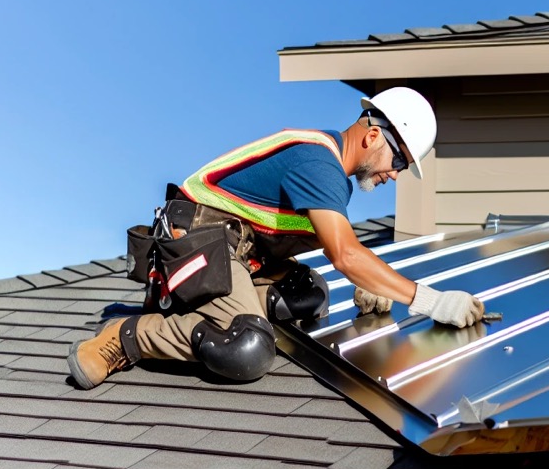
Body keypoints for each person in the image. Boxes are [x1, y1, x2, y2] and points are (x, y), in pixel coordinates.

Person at [66, 87, 484, 389]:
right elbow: (345, 253)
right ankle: (125, 335)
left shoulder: (331, 172)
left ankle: (229, 310)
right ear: (374, 134)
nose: (394, 174)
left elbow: (341, 249)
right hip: (191, 245)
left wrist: (370, 284)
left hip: (233, 254)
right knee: (246, 347)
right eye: (399, 160)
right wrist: (432, 301)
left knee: (309, 293)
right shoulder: (319, 162)